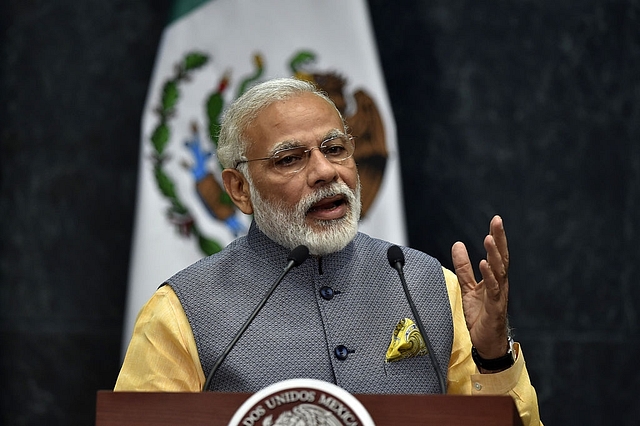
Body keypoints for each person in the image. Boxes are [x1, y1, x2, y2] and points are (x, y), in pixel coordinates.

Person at [115, 78, 541, 425]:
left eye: (335, 149)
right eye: (290, 159)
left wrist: (493, 355)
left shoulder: (427, 285)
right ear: (240, 189)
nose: (324, 172)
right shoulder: (181, 310)